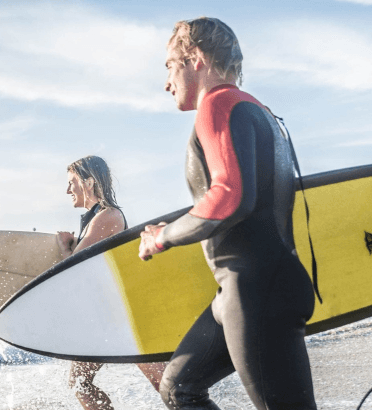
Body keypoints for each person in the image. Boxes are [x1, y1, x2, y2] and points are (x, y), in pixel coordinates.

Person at [138, 18, 317, 409]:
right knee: (179, 388)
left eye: (170, 65)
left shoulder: (218, 103)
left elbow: (229, 198)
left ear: (196, 59)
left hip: (257, 293)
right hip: (244, 291)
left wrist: (161, 237)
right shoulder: (258, 111)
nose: (167, 82)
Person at [56, 155, 167, 410]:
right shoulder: (94, 219)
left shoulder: (108, 216)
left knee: (167, 385)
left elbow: (72, 270)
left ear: (89, 183)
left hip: (126, 318)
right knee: (80, 383)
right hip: (105, 318)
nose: (67, 190)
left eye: (71, 182)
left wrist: (65, 249)